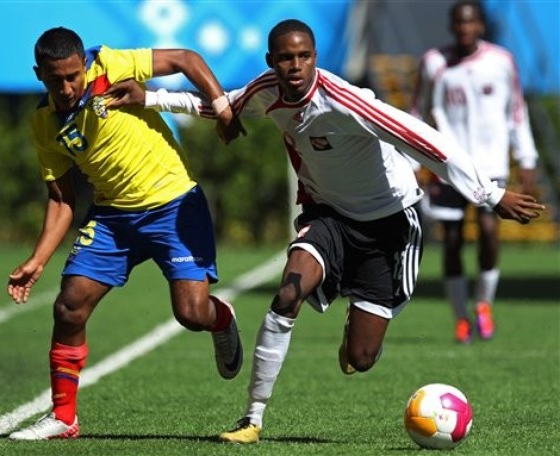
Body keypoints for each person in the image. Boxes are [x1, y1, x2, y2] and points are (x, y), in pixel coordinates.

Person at [104, 19, 544, 444]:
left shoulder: (347, 100)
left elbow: (424, 140)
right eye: (285, 58)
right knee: (287, 294)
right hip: (328, 215)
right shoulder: (267, 91)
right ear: (271, 61)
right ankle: (252, 417)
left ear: (315, 57)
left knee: (361, 358)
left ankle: (355, 330)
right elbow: (223, 104)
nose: (295, 66)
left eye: (303, 56)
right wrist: (149, 98)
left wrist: (489, 194)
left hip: (389, 224)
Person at [6, 27, 245, 440]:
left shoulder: (111, 63)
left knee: (191, 314)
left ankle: (221, 320)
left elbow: (186, 59)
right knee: (68, 306)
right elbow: (62, 199)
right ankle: (64, 418)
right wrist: (37, 259)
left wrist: (222, 108)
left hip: (174, 206)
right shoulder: (44, 123)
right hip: (113, 219)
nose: (65, 87)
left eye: (72, 76)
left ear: (84, 66)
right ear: (38, 74)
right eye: (54, 79)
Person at [411, 1, 539, 344]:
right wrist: (413, 164)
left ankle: (483, 303)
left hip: (491, 165)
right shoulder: (434, 62)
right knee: (451, 240)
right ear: (452, 26)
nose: (465, 28)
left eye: (471, 22)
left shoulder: (501, 61)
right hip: (447, 167)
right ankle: (460, 318)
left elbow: (516, 111)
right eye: (459, 23)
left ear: (481, 25)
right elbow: (416, 114)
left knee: (489, 230)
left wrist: (526, 158)